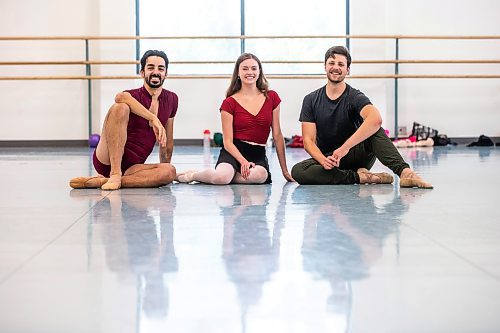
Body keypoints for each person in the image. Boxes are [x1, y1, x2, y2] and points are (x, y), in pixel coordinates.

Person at [291, 46, 433, 189]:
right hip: (329, 159)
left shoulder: (354, 96)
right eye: (332, 63)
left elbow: (375, 118)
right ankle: (361, 177)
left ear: (348, 70)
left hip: (357, 155)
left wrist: (345, 148)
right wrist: (322, 160)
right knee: (298, 171)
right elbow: (308, 141)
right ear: (325, 66)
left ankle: (406, 173)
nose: (335, 67)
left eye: (341, 64)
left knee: (374, 129)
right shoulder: (310, 99)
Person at [176, 53, 294, 184]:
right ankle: (193, 175)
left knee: (260, 176)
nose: (250, 72)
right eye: (245, 68)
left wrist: (285, 171)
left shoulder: (271, 97)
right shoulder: (229, 103)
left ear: (259, 72)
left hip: (257, 154)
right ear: (238, 72)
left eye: (254, 68)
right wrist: (243, 161)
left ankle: (229, 177)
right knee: (221, 178)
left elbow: (277, 135)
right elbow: (227, 142)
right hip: (233, 151)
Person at [70, 50, 178, 190]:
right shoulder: (131, 95)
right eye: (150, 67)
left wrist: (165, 167)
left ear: (166, 74)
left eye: (160, 68)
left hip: (132, 168)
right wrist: (153, 118)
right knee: (120, 108)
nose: (156, 72)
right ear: (142, 73)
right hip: (107, 159)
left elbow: (167, 142)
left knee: (169, 171)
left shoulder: (172, 99)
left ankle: (105, 181)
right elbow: (120, 97)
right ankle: (114, 174)